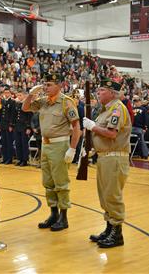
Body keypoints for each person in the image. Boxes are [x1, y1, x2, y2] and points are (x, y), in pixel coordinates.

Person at [23, 72, 81, 232]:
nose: (46, 87)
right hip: (45, 146)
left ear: (59, 85)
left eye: (49, 85)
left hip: (60, 146)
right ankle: (53, 214)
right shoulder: (44, 102)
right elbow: (25, 107)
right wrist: (31, 94)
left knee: (61, 183)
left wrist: (72, 149)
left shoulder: (66, 103)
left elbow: (77, 128)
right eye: (45, 84)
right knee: (48, 183)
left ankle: (64, 217)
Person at [82, 77, 131, 248]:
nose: (98, 92)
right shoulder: (105, 110)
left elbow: (111, 134)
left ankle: (117, 234)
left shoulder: (117, 109)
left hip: (115, 157)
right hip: (104, 156)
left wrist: (92, 127)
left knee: (112, 195)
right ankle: (109, 229)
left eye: (102, 90)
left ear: (111, 93)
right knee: (105, 196)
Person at [0, 85, 16, 165]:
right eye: (5, 93)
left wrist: (11, 125)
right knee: (3, 142)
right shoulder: (3, 102)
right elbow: (0, 114)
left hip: (8, 125)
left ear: (10, 94)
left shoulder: (12, 102)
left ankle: (9, 159)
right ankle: (4, 158)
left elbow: (13, 115)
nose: (6, 94)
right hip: (3, 124)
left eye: (8, 93)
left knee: (9, 143)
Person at [14, 89, 32, 167]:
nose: (19, 97)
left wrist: (28, 127)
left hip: (24, 127)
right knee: (18, 143)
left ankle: (25, 160)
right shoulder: (17, 104)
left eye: (20, 95)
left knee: (24, 144)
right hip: (17, 126)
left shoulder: (27, 104)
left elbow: (29, 116)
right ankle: (20, 159)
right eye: (18, 95)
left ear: (24, 95)